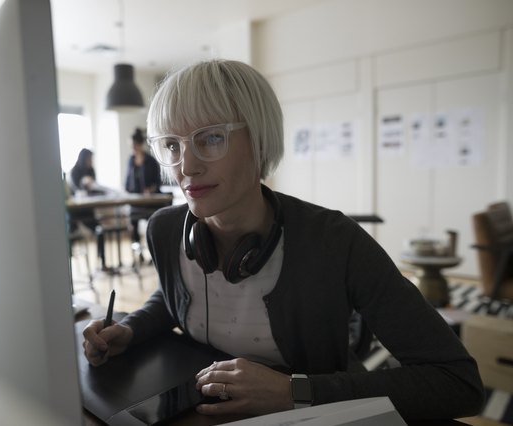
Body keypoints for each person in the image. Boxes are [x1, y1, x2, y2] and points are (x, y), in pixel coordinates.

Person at [82, 59, 484, 420]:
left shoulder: (334, 241)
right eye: (172, 144)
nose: (186, 165)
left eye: (211, 138)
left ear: (259, 140)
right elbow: (175, 299)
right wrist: (130, 330)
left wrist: (296, 392)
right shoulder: (166, 230)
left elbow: (457, 382)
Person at [124, 128, 163, 261]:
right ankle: (138, 254)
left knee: (152, 225)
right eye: (130, 146)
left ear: (140, 145)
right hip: (136, 202)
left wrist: (151, 189)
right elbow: (127, 183)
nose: (132, 149)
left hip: (150, 203)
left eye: (134, 146)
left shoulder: (151, 161)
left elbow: (158, 182)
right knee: (132, 224)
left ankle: (153, 253)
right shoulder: (130, 160)